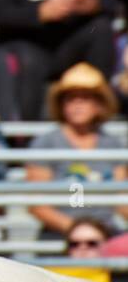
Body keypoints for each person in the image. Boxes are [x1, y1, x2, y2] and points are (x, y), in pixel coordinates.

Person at [26, 64, 127, 238]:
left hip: (105, 233)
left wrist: (96, 234)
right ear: (61, 104)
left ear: (99, 104)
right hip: (59, 234)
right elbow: (37, 205)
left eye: (85, 98)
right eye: (71, 98)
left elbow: (121, 198)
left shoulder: (112, 144)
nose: (77, 104)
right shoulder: (46, 143)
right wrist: (77, 231)